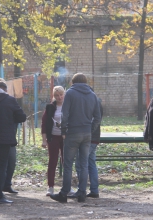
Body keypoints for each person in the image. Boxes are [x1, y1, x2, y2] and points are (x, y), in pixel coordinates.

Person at [50, 73, 101, 203]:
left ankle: (64, 193)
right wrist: (91, 130)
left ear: (73, 82)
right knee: (84, 164)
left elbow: (64, 114)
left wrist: (63, 130)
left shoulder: (71, 94)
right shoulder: (92, 95)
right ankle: (82, 193)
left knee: (68, 165)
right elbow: (97, 117)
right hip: (86, 134)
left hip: (72, 133)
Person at [0, 78, 19, 194]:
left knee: (11, 161)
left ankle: (6, 184)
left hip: (9, 137)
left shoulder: (9, 100)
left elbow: (19, 116)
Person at [73, 97, 103, 198]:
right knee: (91, 163)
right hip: (94, 137)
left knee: (81, 164)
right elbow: (98, 118)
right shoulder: (96, 101)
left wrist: (88, 131)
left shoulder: (87, 101)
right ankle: (94, 189)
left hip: (87, 137)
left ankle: (81, 190)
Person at [41, 86, 65, 196]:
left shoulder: (68, 106)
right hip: (53, 137)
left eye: (61, 95)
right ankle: (50, 187)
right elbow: (44, 124)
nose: (59, 97)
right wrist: (44, 140)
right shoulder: (50, 107)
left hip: (66, 138)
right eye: (56, 95)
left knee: (66, 162)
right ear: (54, 96)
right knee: (53, 162)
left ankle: (67, 187)